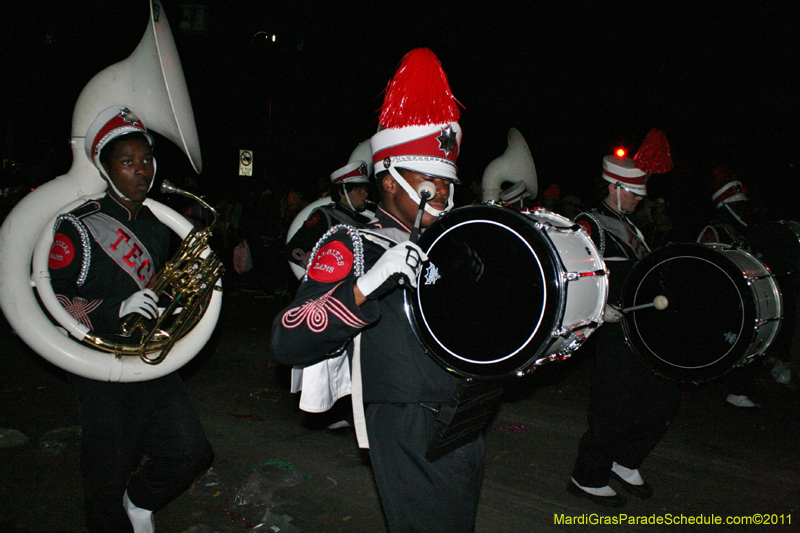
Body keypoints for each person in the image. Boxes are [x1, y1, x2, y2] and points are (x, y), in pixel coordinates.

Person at [272, 48, 492, 533]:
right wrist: (366, 286)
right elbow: (288, 338)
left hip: (464, 412)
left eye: (448, 182)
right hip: (406, 418)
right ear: (390, 182)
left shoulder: (448, 244)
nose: (444, 193)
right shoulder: (353, 244)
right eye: (430, 180)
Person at [48, 106, 213, 532]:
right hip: (99, 362)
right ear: (105, 169)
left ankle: (138, 501)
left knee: (190, 451)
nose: (142, 170)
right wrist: (112, 309)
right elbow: (52, 297)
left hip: (148, 355)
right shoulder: (78, 225)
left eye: (147, 160)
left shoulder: (157, 225)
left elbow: (155, 287)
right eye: (127, 161)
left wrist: (177, 302)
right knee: (106, 471)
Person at [569, 131, 680, 508]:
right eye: (633, 192)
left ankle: (626, 459)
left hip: (643, 327)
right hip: (614, 326)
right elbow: (577, 274)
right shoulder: (589, 223)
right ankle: (587, 476)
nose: (638, 199)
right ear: (614, 187)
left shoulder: (630, 225)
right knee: (613, 404)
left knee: (662, 399)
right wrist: (599, 308)